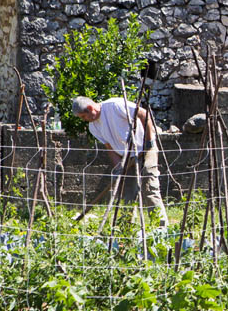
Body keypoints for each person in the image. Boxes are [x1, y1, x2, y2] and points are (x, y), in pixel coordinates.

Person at [71, 95, 167, 227]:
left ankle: (161, 227)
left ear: (90, 108)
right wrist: (119, 167)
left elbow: (144, 114)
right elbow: (109, 147)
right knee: (127, 193)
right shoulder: (93, 127)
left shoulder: (115, 106)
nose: (84, 120)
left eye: (83, 116)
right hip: (126, 157)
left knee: (149, 187)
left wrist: (149, 142)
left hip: (145, 148)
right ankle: (127, 229)